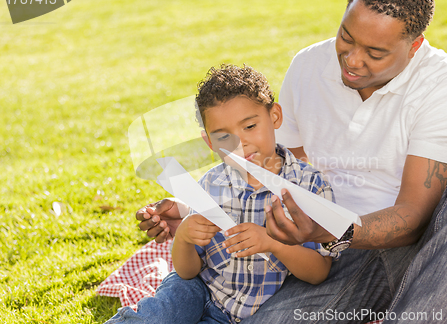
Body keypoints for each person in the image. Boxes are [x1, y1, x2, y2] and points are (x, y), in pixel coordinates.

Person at [137, 0, 447, 323]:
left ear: (415, 45)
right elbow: (273, 171)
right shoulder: (309, 66)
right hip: (311, 249)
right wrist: (195, 208)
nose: (353, 60)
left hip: (390, 247)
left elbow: (413, 220)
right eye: (347, 37)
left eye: (375, 53)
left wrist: (331, 230)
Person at [107, 64, 336, 324]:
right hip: (197, 290)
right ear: (210, 143)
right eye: (225, 137)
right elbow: (187, 271)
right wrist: (182, 237)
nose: (240, 144)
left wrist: (273, 243)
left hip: (258, 310)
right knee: (159, 314)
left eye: (250, 127)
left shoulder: (309, 186)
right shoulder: (210, 184)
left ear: (274, 117)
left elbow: (319, 272)